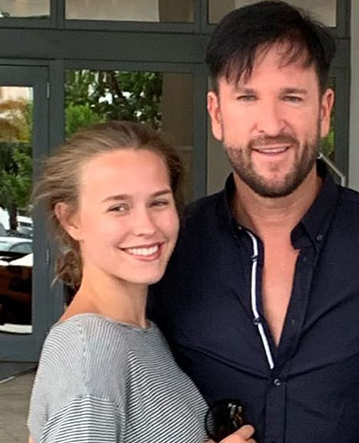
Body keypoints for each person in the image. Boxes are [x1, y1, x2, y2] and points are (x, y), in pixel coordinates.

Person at [148, 0, 359, 443]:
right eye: (247, 97)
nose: (271, 125)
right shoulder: (170, 249)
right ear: (217, 114)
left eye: (292, 97)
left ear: (324, 110)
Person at [27, 121, 255, 443]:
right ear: (70, 219)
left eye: (158, 202)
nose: (146, 226)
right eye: (118, 207)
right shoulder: (89, 347)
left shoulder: (142, 333)